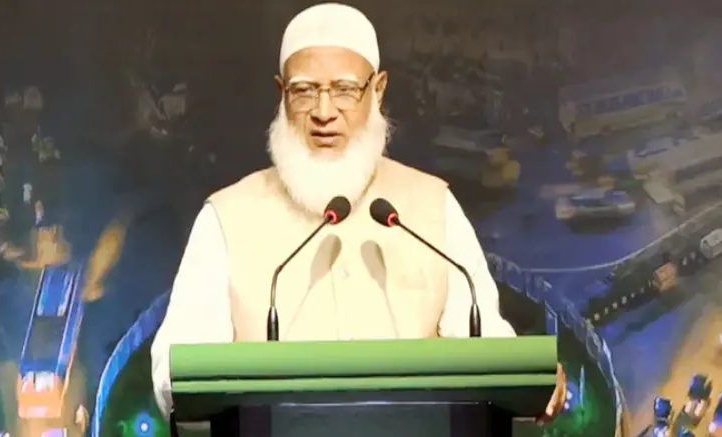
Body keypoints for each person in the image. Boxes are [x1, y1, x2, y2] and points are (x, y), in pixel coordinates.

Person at [151, 2, 566, 424]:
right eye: (304, 90)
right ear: (281, 94)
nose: (324, 112)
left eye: (345, 89)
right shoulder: (227, 217)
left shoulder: (431, 206)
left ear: (378, 90)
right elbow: (175, 370)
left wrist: (533, 380)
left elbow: (486, 341)